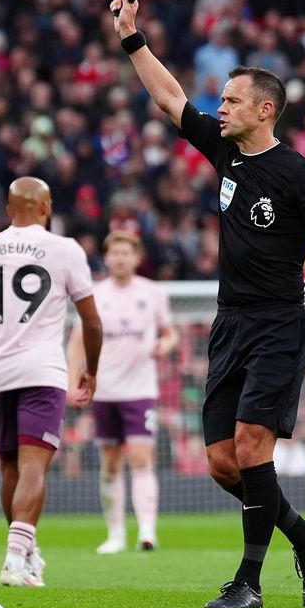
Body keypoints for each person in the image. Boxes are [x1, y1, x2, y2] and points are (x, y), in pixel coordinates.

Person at [111, 0, 305, 608]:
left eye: (231, 100)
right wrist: (131, 36)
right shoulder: (224, 152)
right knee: (225, 463)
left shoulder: (301, 175)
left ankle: (247, 582)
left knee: (251, 447)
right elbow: (169, 97)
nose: (218, 108)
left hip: (278, 323)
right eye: (219, 99)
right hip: (230, 324)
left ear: (265, 110)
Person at [0, 177, 102, 587]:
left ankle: (26, 551)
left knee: (10, 467)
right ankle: (15, 558)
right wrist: (92, 369)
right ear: (47, 207)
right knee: (34, 465)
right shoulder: (65, 250)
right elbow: (91, 319)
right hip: (42, 371)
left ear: (8, 210)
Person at [67, 230, 178, 553]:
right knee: (110, 462)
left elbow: (170, 333)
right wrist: (72, 378)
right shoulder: (94, 295)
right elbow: (77, 340)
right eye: (115, 253)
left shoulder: (152, 293)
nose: (120, 258)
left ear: (136, 257)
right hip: (104, 390)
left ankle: (147, 531)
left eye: (126, 253)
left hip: (140, 389)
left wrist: (164, 345)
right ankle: (115, 534)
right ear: (106, 257)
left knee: (142, 458)